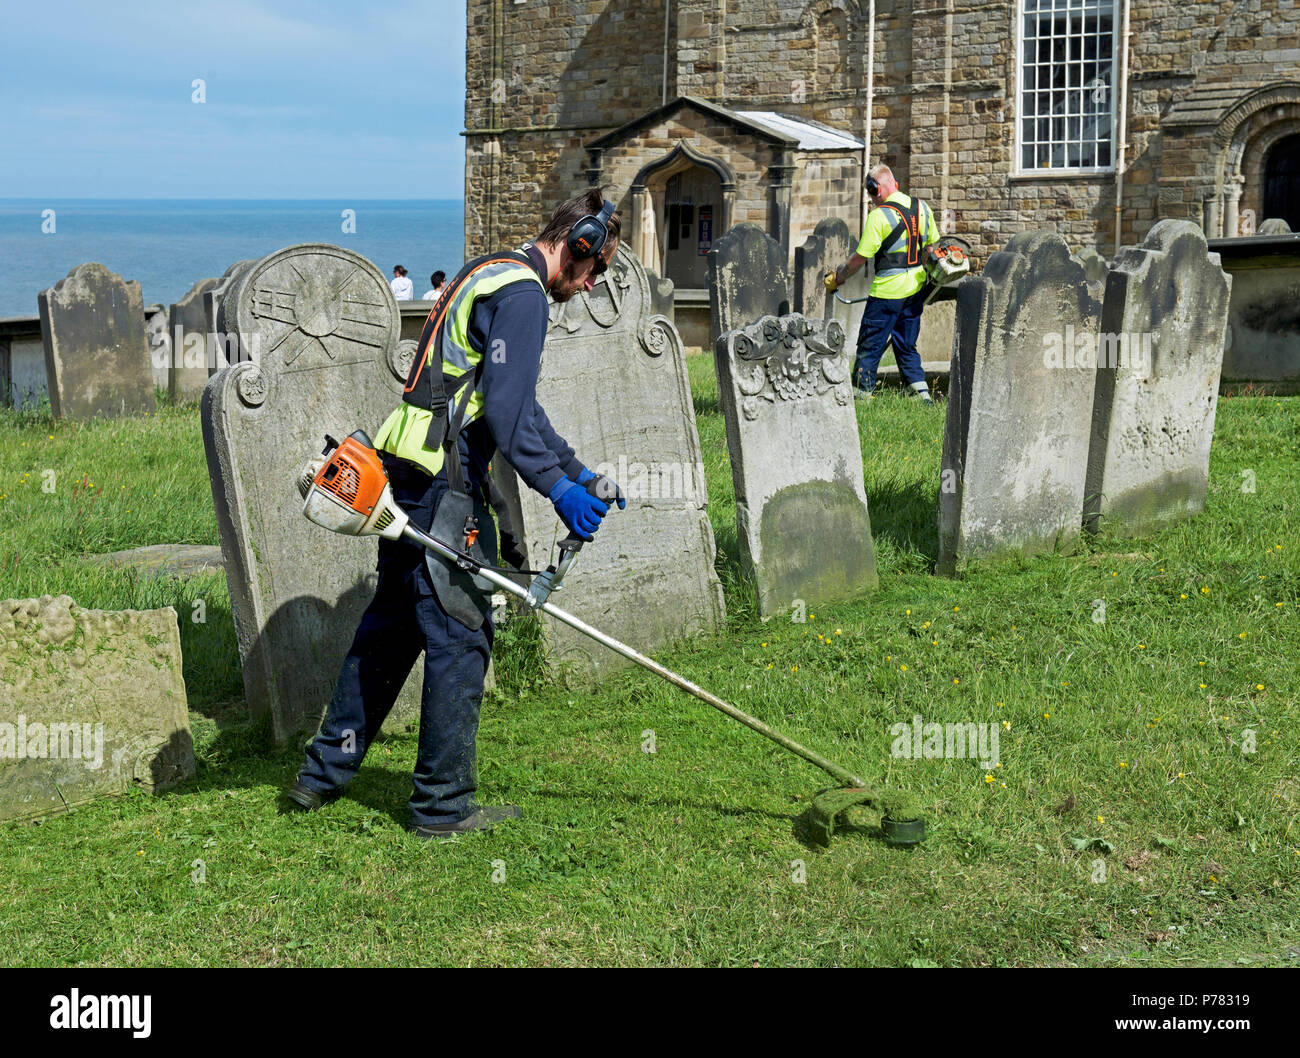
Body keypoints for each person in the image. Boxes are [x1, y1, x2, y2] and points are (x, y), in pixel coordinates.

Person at [286, 189, 626, 839]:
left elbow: (517, 408)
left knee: (389, 629)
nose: (588, 288)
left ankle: (322, 774)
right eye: (594, 272)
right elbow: (503, 413)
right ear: (578, 246)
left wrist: (577, 472)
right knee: (461, 637)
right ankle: (442, 808)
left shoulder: (488, 270)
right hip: (448, 483)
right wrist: (559, 490)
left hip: (402, 474)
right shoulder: (525, 296)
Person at [825, 164, 940, 404]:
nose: (871, 198)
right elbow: (931, 248)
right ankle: (922, 396)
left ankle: (860, 398)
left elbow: (859, 258)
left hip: (887, 292)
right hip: (915, 290)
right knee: (907, 345)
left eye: (871, 192)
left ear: (875, 188)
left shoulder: (878, 216)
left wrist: (838, 278)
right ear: (895, 183)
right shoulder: (923, 208)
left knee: (870, 344)